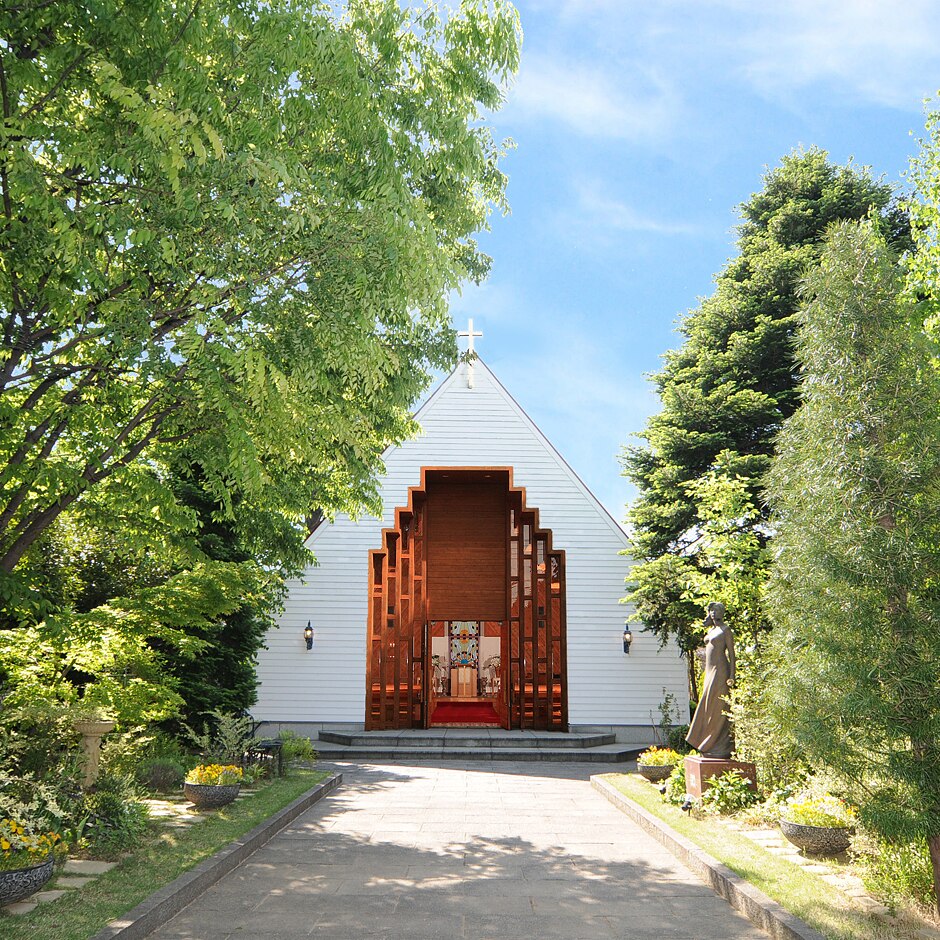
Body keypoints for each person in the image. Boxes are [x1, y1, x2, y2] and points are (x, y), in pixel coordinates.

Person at [686, 601, 736, 759]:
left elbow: (732, 655)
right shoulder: (712, 630)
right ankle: (707, 743)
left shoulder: (725, 630)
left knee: (717, 706)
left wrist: (732, 676)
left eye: (717, 610)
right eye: (711, 610)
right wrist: (707, 622)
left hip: (720, 671)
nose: (714, 613)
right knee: (707, 705)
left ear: (722, 612)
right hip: (709, 672)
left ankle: (718, 745)